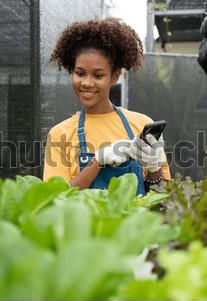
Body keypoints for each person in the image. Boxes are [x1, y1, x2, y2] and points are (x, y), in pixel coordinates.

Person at [43, 17, 171, 195]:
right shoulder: (59, 134)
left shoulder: (141, 124)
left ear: (114, 76)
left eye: (98, 75)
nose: (87, 83)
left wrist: (154, 166)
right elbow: (55, 196)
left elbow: (161, 198)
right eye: (80, 73)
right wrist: (97, 161)